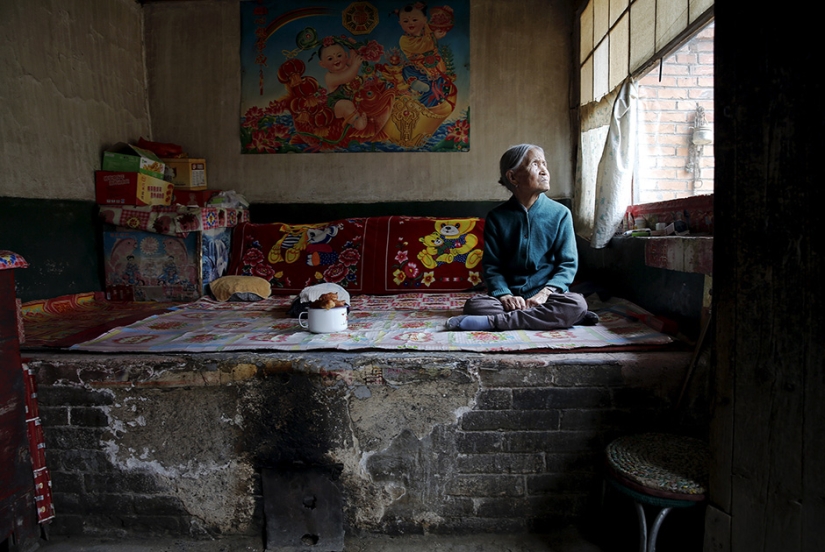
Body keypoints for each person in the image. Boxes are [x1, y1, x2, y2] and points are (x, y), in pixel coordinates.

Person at [446, 144, 598, 331]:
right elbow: (492, 266)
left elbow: (567, 265)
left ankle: (494, 322)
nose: (544, 171)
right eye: (535, 164)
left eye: (545, 164)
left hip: (547, 297)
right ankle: (558, 318)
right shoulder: (497, 217)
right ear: (512, 177)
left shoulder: (560, 214)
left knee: (576, 304)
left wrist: (545, 293)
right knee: (475, 306)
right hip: (510, 299)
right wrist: (505, 295)